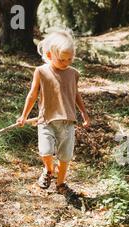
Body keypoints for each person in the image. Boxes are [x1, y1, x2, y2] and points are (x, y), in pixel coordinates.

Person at [17, 30, 90, 194]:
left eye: (69, 59)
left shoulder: (73, 73)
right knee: (45, 151)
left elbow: (75, 94)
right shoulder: (41, 72)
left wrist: (84, 113)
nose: (66, 63)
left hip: (67, 121)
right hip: (46, 120)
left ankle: (61, 183)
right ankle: (49, 170)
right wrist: (24, 116)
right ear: (49, 55)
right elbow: (32, 95)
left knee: (65, 157)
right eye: (62, 59)